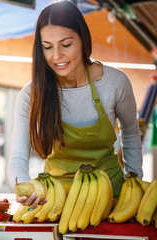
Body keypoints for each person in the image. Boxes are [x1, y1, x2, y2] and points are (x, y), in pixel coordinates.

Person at [7, 0, 143, 209]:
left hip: (110, 196)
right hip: (53, 202)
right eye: (47, 47)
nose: (57, 56)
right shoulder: (31, 94)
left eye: (66, 44)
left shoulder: (115, 82)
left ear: (83, 39)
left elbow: (131, 132)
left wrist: (134, 182)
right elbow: (17, 156)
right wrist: (24, 187)